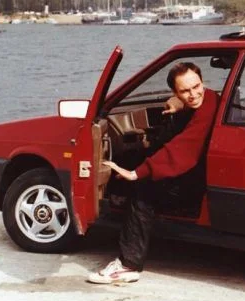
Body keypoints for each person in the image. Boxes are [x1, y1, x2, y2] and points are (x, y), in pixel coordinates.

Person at [87, 62, 219, 284]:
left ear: (202, 81)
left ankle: (128, 265)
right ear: (175, 92)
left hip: (195, 181)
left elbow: (184, 148)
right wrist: (179, 105)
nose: (194, 94)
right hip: (195, 172)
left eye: (197, 87)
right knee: (135, 157)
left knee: (143, 192)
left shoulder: (205, 110)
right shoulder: (210, 98)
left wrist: (137, 174)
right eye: (185, 91)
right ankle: (122, 199)